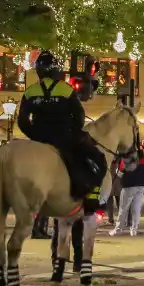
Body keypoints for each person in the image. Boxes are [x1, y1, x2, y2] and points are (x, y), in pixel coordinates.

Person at [18, 50, 106, 215]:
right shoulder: (66, 90)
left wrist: (35, 135)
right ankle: (90, 198)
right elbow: (79, 116)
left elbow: (22, 121)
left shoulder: (30, 91)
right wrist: (72, 132)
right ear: (56, 70)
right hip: (64, 139)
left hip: (38, 140)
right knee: (96, 158)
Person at [110, 150, 144, 237]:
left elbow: (120, 174)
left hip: (128, 187)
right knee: (136, 209)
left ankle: (118, 229)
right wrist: (143, 179)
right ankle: (134, 230)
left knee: (123, 209)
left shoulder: (126, 161)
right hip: (140, 186)